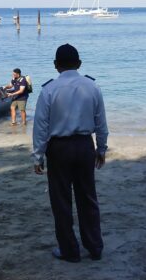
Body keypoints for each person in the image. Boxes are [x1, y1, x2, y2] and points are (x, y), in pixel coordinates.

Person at [33, 44, 108, 263]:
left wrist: (37, 156)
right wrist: (101, 148)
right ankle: (95, 247)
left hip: (59, 149)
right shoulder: (92, 87)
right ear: (80, 64)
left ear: (56, 66)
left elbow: (41, 127)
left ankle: (69, 250)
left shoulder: (49, 90)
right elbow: (101, 122)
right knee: (88, 197)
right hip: (85, 145)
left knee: (61, 200)